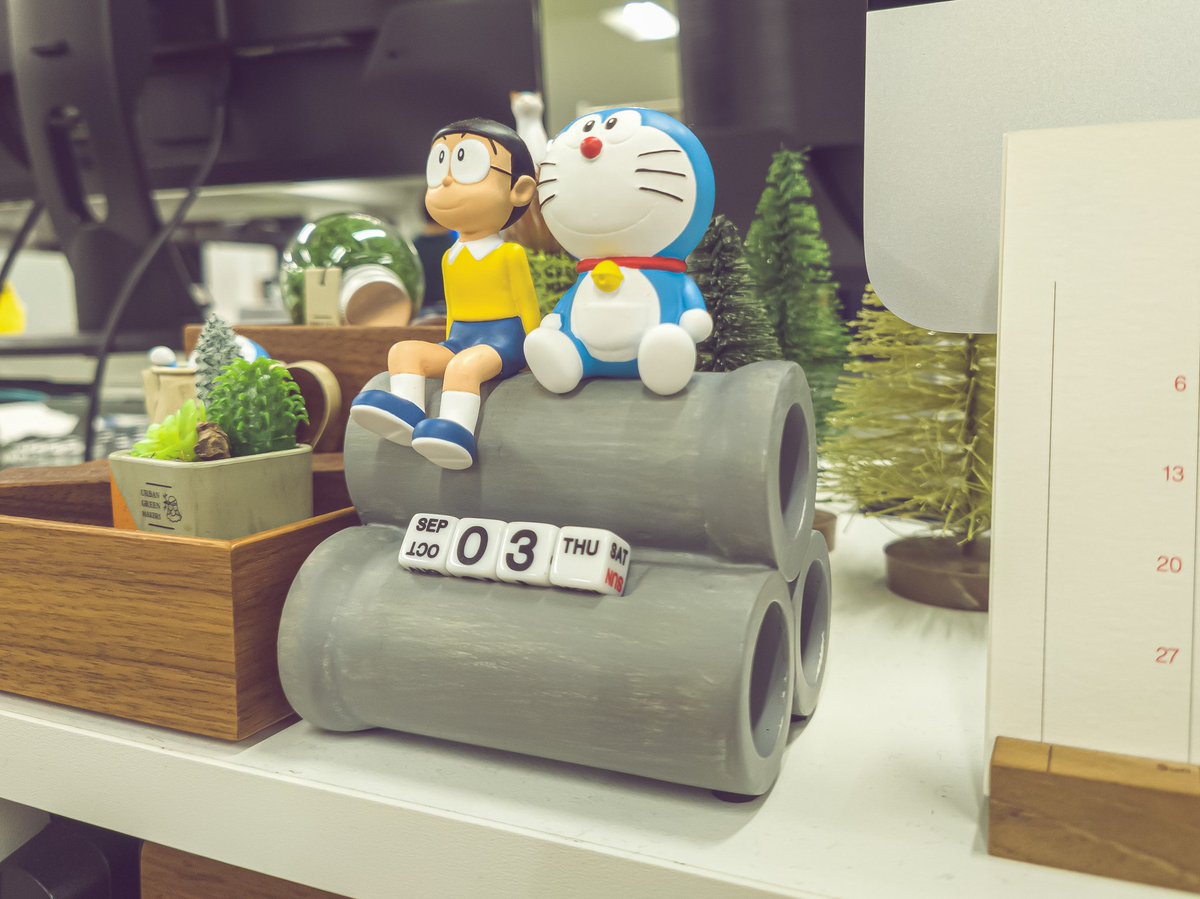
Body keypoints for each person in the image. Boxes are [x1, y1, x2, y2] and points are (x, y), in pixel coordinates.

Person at [349, 118, 539, 470]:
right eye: (439, 169)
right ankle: (407, 412)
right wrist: (448, 343)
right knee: (404, 351)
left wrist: (534, 350)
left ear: (520, 190)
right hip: (461, 338)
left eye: (467, 166)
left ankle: (456, 431)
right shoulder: (450, 256)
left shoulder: (508, 253)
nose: (447, 180)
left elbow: (527, 304)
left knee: (464, 368)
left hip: (504, 342)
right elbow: (454, 309)